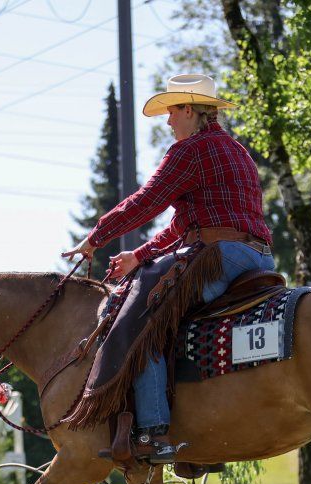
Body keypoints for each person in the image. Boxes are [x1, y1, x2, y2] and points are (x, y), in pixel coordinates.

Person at [63, 74, 275, 463]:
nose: (167, 120)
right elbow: (184, 225)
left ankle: (153, 433)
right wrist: (140, 256)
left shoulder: (190, 151)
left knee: (144, 318)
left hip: (220, 257)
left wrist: (95, 237)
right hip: (259, 258)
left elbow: (146, 202)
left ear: (190, 110)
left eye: (173, 111)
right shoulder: (237, 151)